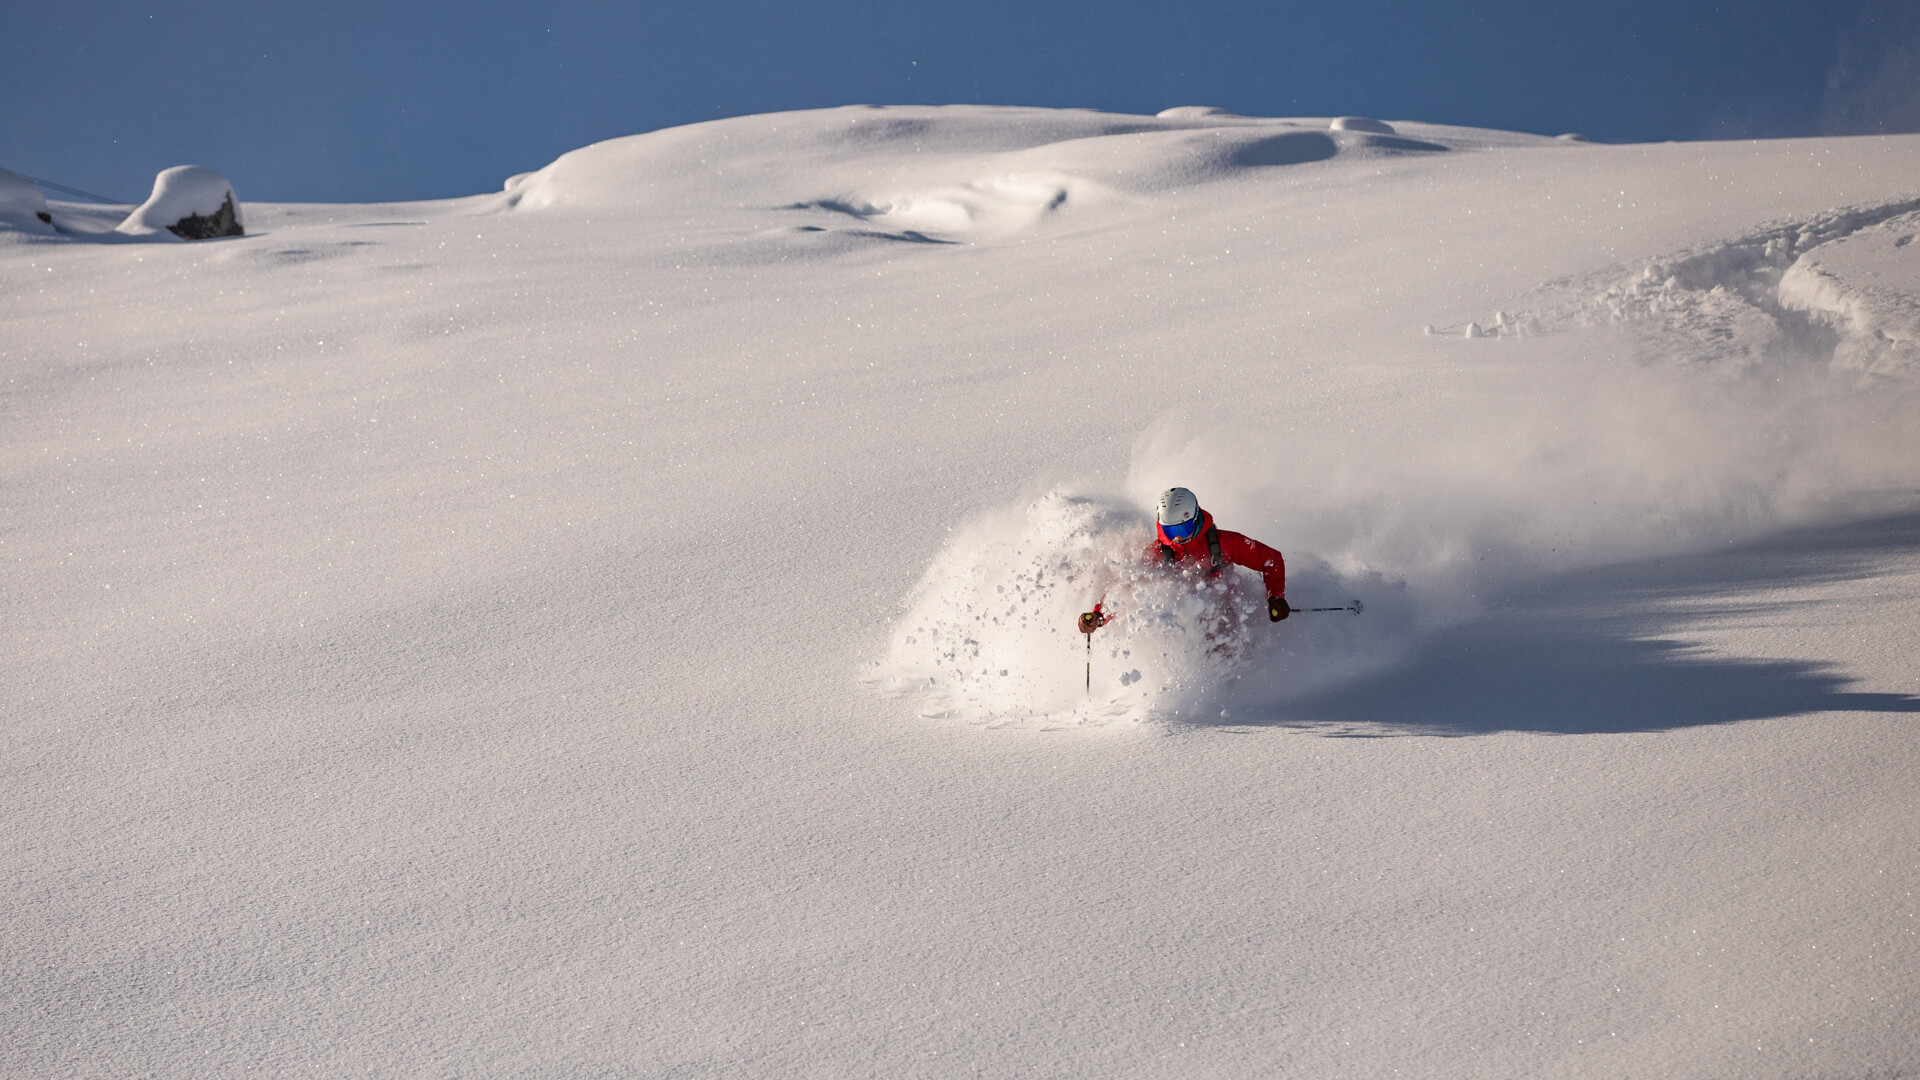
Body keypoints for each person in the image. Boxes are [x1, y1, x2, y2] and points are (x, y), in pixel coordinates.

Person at [1078, 487, 1288, 633]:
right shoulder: (1158, 553)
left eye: (1182, 528)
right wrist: (1099, 616)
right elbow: (1126, 586)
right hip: (1183, 622)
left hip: (1227, 614)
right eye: (1170, 530)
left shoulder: (1224, 542)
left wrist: (1275, 597)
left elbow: (1270, 559)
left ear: (1195, 518)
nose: (1177, 537)